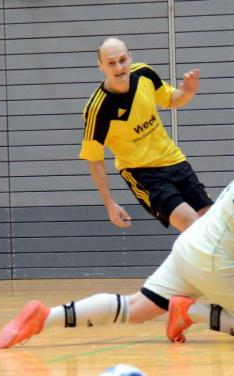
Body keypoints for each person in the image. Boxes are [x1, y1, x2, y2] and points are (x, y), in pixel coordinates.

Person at [0, 110, 234, 349]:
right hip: (217, 261)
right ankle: (192, 312)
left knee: (137, 307)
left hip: (192, 246)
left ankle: (45, 316)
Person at [81, 36, 213, 232]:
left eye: (122, 60)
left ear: (130, 58)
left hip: (174, 160)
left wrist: (187, 91)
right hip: (143, 173)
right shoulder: (97, 109)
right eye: (111, 63)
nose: (119, 67)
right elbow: (94, 159)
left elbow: (170, 99)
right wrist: (109, 204)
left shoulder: (144, 73)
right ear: (101, 66)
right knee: (193, 225)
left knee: (212, 224)